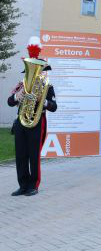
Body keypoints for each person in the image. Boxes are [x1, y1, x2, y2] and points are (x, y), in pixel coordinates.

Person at [8, 36, 57, 197]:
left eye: (39, 69)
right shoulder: (21, 85)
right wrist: (18, 96)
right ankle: (23, 185)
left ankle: (33, 185)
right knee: (21, 155)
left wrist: (41, 101)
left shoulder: (47, 87)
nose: (37, 72)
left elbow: (54, 106)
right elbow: (9, 101)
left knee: (33, 155)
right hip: (21, 122)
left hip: (37, 121)